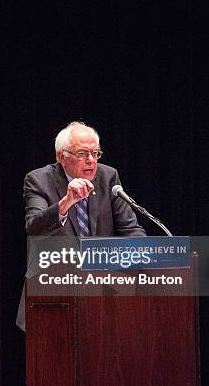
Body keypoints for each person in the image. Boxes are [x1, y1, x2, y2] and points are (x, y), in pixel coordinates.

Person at [17, 121, 146, 330]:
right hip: (53, 294)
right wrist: (65, 204)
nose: (91, 161)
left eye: (95, 153)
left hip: (107, 294)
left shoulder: (108, 177)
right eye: (82, 154)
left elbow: (132, 230)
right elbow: (34, 229)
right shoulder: (39, 180)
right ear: (62, 156)